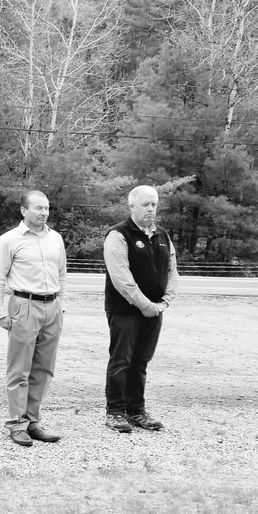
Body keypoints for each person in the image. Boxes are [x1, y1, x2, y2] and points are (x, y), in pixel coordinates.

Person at [0, 190, 67, 447]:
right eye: (38, 208)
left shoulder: (55, 239)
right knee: (20, 370)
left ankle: (33, 421)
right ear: (24, 210)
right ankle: (16, 424)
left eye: (46, 208)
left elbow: (62, 273)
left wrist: (60, 304)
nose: (43, 212)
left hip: (52, 307)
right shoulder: (9, 240)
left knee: (44, 369)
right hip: (24, 305)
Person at [102, 184, 179, 432]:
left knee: (141, 362)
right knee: (121, 361)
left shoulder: (163, 236)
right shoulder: (118, 235)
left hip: (155, 311)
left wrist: (164, 302)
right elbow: (121, 278)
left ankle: (136, 411)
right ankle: (115, 412)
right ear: (131, 206)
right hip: (125, 312)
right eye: (145, 204)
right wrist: (144, 305)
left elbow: (172, 271)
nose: (150, 209)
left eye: (153, 204)